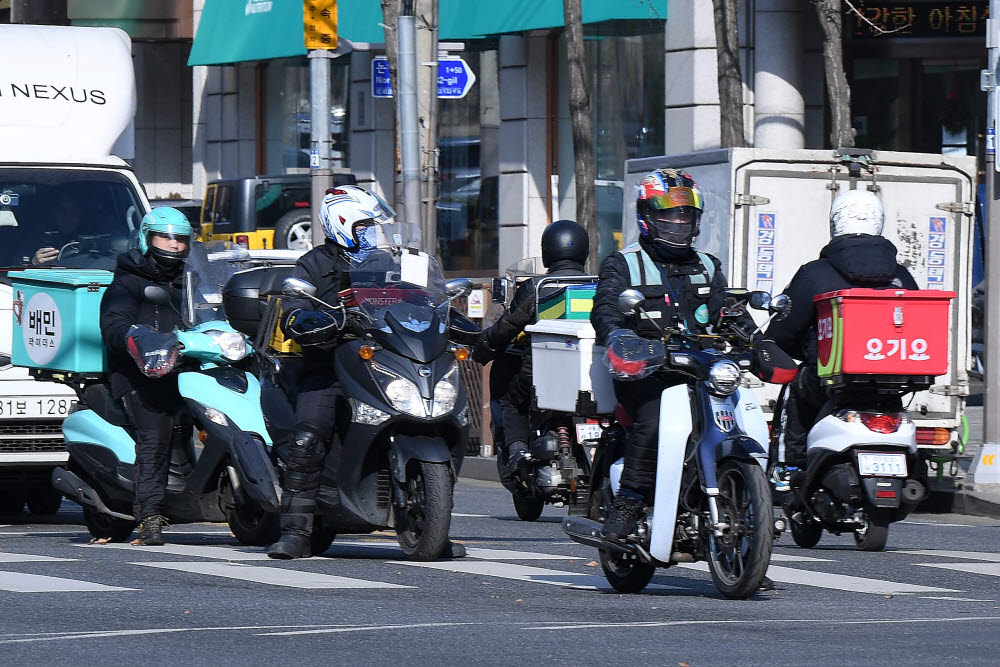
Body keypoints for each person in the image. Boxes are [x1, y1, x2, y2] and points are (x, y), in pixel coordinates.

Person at [591, 169, 738, 541]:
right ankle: (629, 501)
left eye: (686, 215)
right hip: (647, 371)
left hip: (701, 370)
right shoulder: (622, 264)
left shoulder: (707, 265)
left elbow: (729, 311)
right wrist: (622, 337)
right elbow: (606, 309)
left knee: (740, 417)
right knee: (656, 419)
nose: (678, 222)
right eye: (669, 215)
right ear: (647, 217)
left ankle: (751, 520)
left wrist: (757, 339)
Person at [768, 190, 918, 489]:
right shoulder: (902, 276)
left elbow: (785, 331)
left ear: (835, 222)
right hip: (890, 378)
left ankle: (787, 467)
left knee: (794, 391)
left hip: (829, 379)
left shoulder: (815, 273)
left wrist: (786, 348)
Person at [99, 207, 193, 546]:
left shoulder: (191, 280)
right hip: (138, 374)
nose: (172, 246)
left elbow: (213, 309)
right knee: (156, 433)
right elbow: (112, 326)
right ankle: (150, 516)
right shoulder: (128, 281)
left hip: (186, 369)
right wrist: (138, 338)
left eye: (180, 240)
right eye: (164, 237)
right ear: (146, 238)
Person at [472, 219, 590, 489]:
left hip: (542, 371)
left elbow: (508, 326)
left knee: (510, 399)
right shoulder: (596, 284)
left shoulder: (539, 287)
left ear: (548, 250)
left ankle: (518, 451)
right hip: (591, 372)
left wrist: (486, 343)